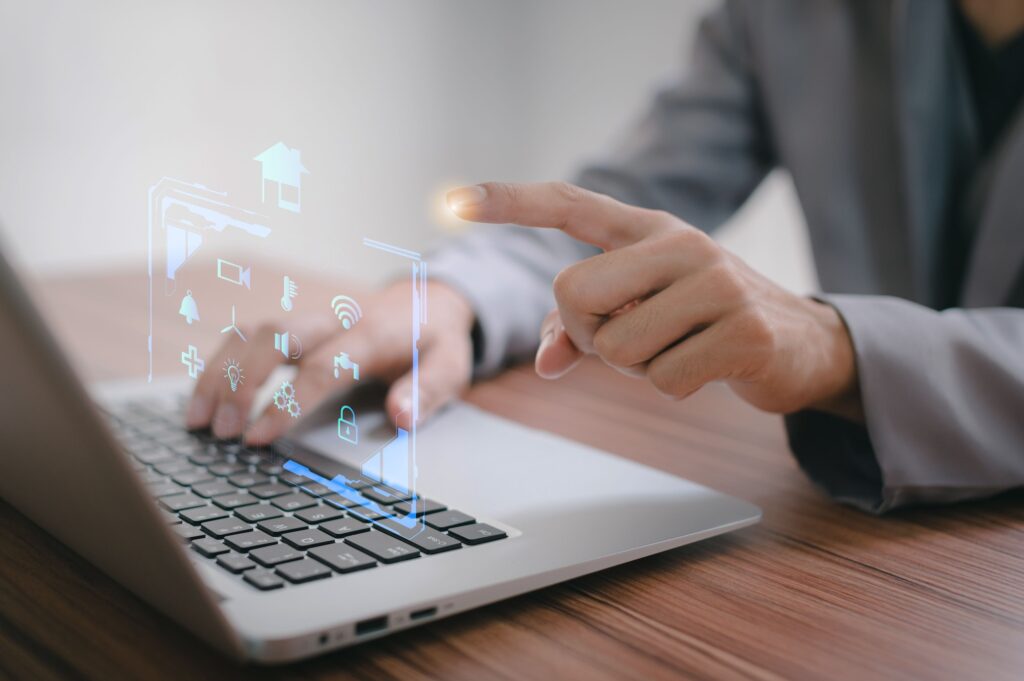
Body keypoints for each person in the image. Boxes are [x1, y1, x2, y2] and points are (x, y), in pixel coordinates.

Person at [187, 0, 1024, 514]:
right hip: (867, 552)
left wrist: (833, 347)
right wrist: (445, 299)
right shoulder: (782, 13)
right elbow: (611, 213)